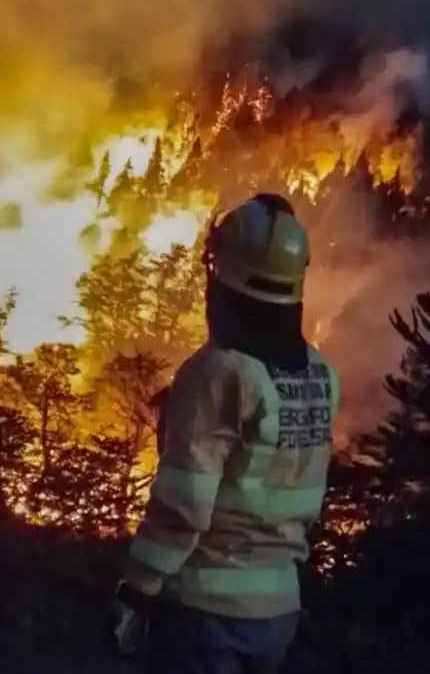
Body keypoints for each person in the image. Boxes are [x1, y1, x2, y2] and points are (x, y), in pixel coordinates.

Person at [105, 192, 340, 674]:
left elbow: (182, 503)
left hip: (205, 611)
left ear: (224, 276)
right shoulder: (318, 373)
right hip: (278, 612)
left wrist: (138, 591)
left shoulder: (217, 372)